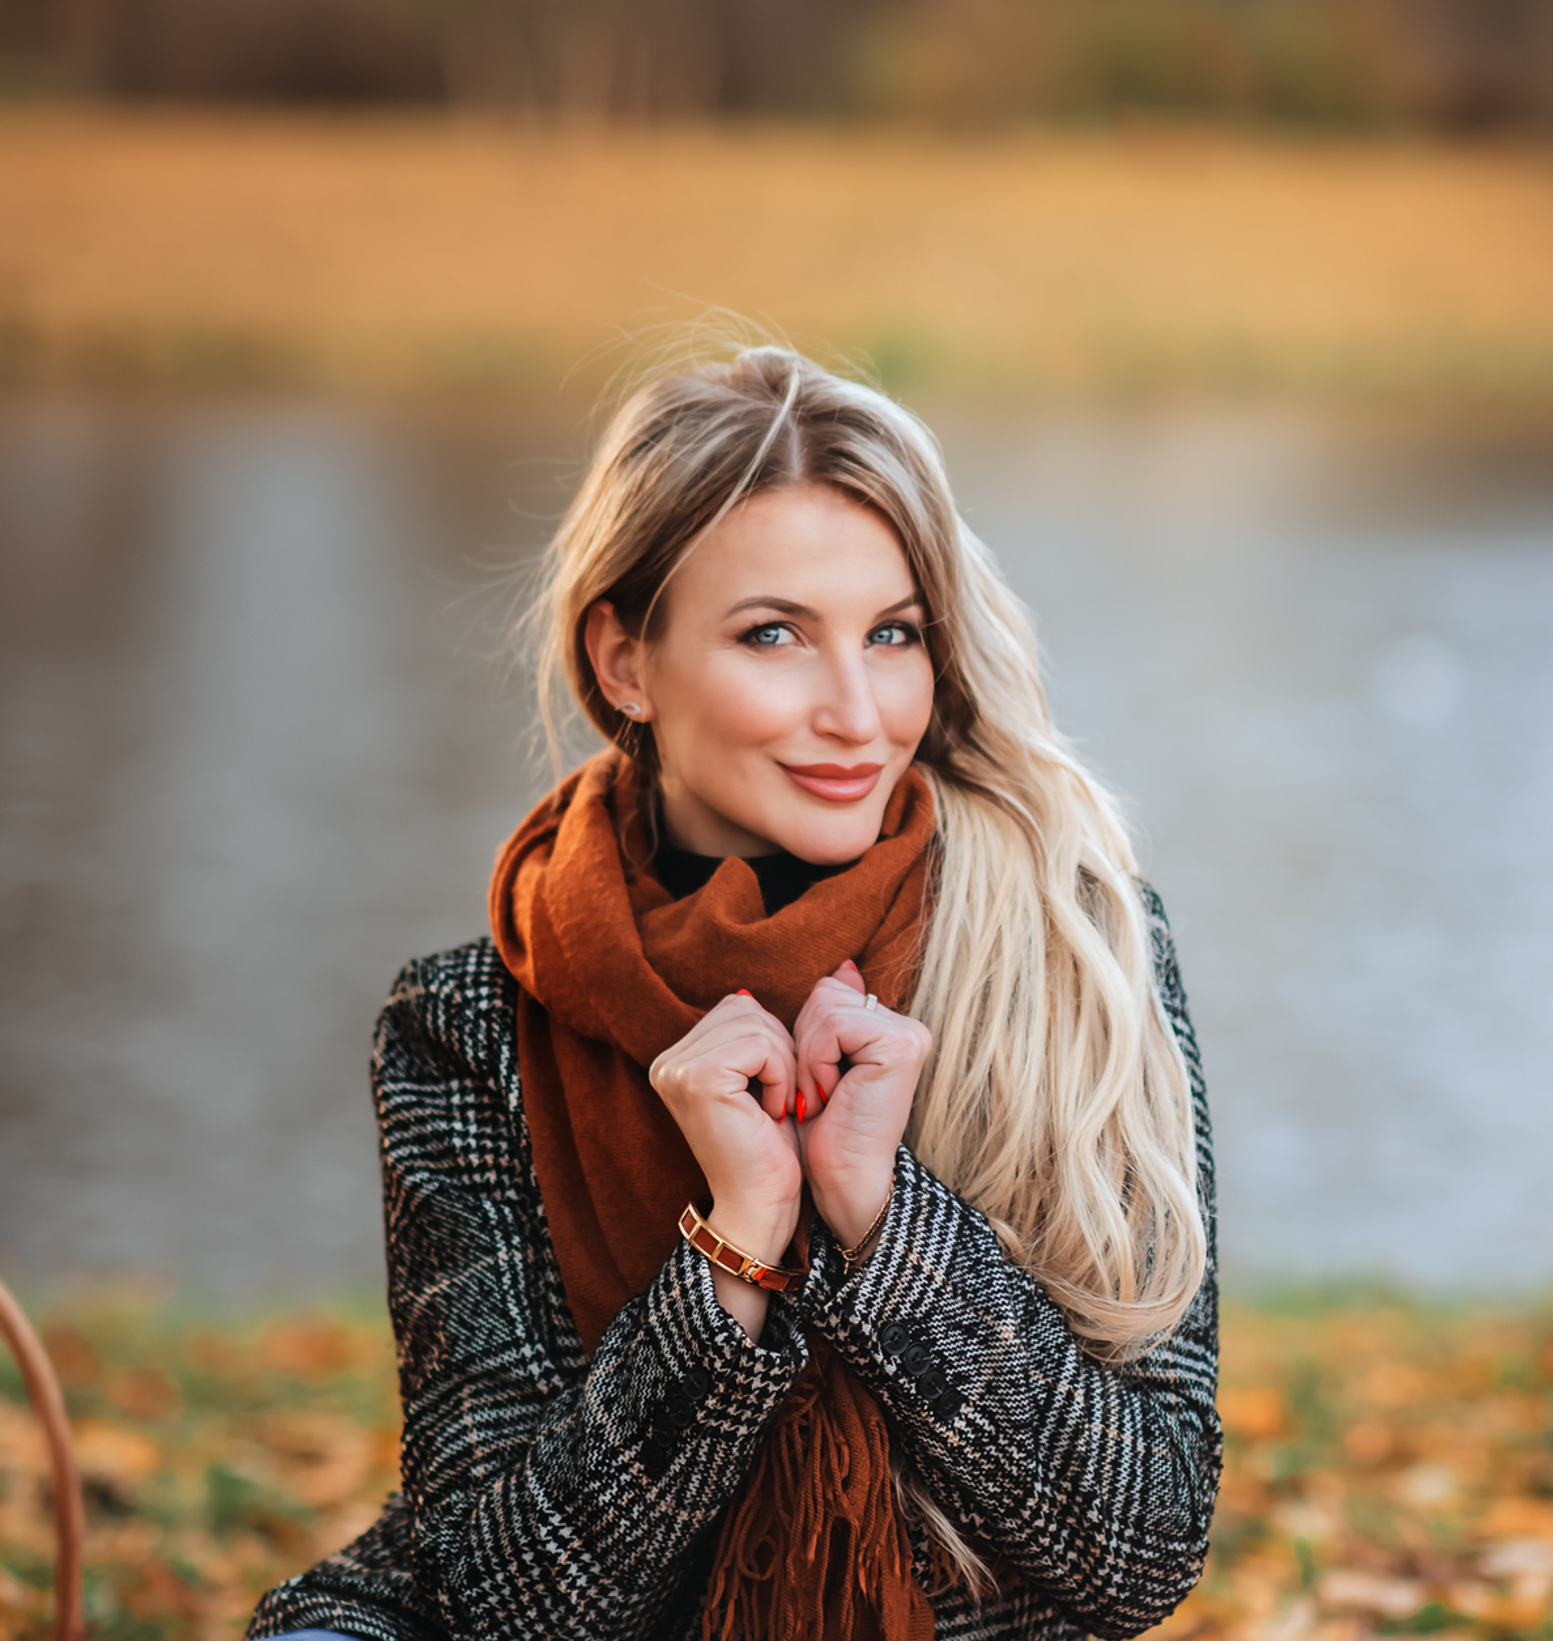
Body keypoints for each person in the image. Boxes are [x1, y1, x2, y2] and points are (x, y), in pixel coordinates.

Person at [248, 345, 1220, 1641]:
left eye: (893, 635)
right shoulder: (471, 1024)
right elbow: (505, 1603)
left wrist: (882, 1222)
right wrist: (736, 1246)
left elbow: (1143, 1547)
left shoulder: (1078, 952)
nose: (857, 713)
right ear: (624, 661)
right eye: (775, 635)